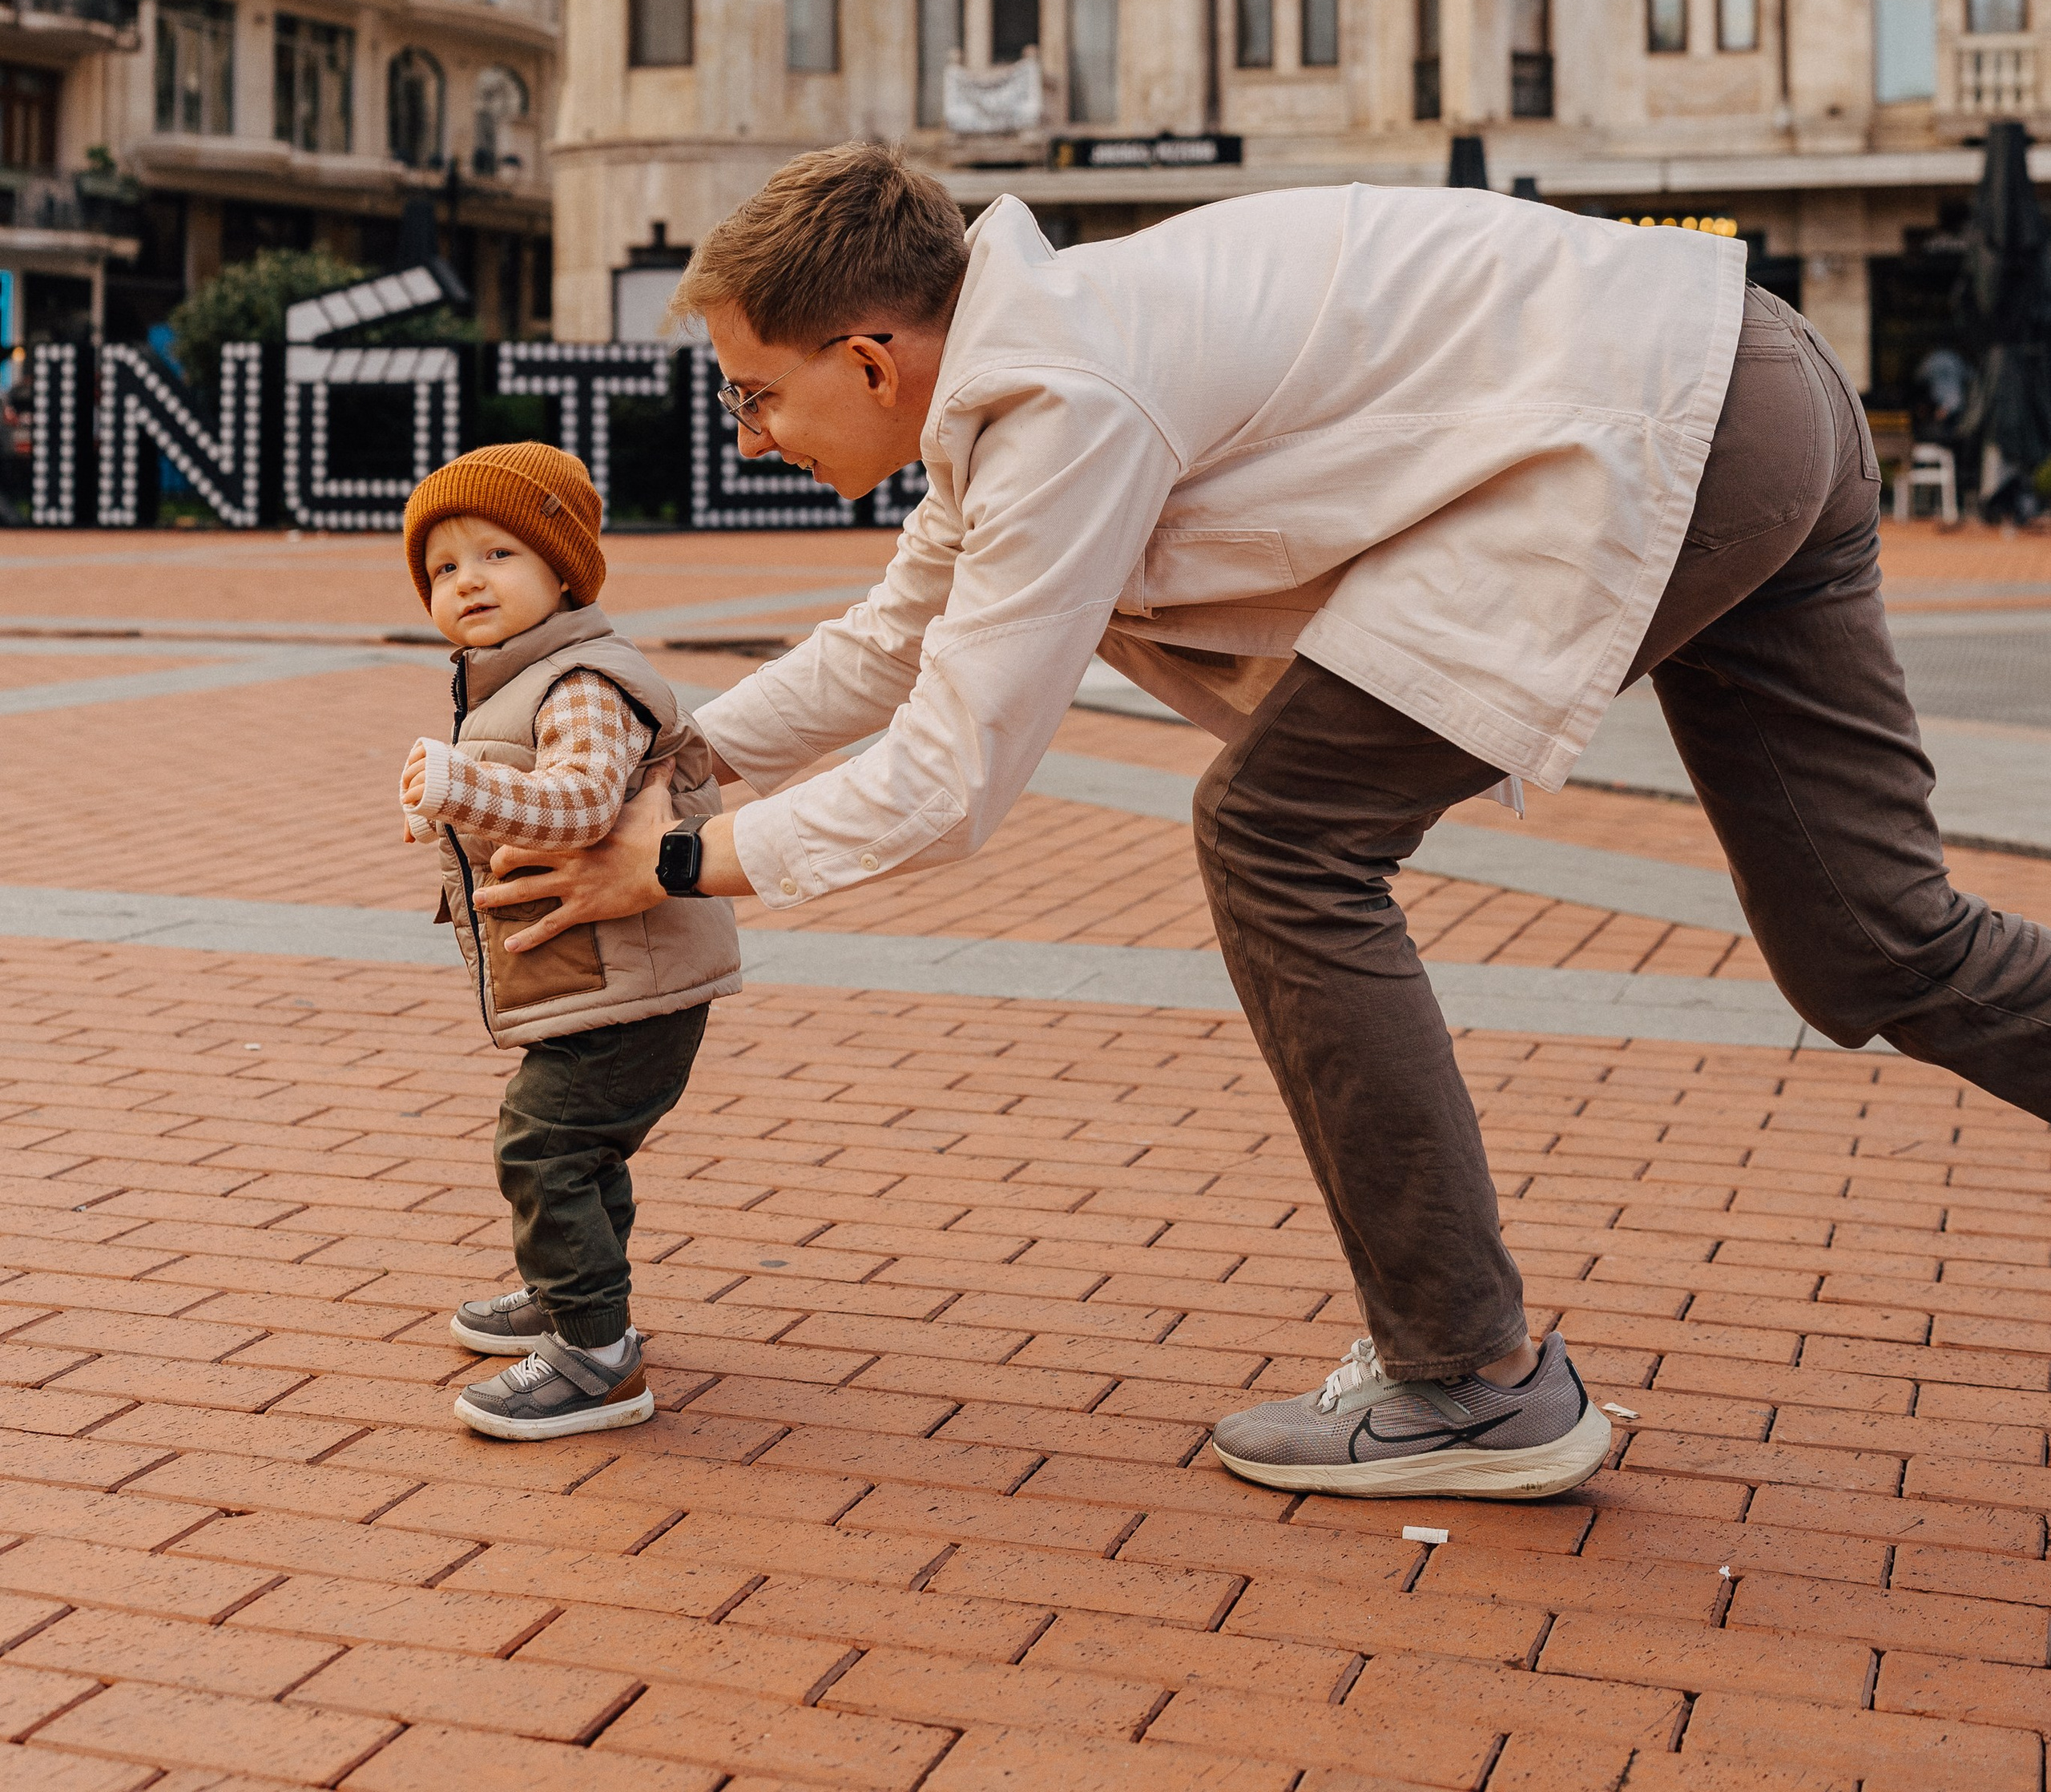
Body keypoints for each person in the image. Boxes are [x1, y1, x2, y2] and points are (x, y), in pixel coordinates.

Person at [477, 145, 2051, 1504]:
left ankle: (1467, 1376)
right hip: (1745, 380)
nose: (752, 433)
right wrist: (665, 758)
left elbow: (951, 778)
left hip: (1660, 428)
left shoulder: (1059, 394)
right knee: (1873, 946)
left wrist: (674, 860)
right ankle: (1459, 1364)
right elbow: (889, 644)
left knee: (1274, 837)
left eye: (761, 394)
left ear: (871, 358)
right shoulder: (1030, 369)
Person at [400, 440, 737, 1440]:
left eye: (496, 555)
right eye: (442, 568)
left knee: (542, 1147)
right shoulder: (519, 678)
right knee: (581, 1151)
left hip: (628, 975)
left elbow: (585, 802)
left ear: (563, 568)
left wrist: (459, 783)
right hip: (590, 971)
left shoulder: (584, 679)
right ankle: (574, 1298)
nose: (466, 582)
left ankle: (596, 1357)